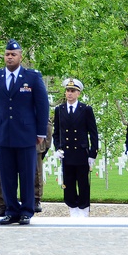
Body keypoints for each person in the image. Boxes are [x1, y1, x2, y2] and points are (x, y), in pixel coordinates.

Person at [0, 39, 49, 226]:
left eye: (13, 54)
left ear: (21, 56)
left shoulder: (32, 77)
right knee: (7, 176)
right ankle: (11, 210)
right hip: (3, 134)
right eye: (7, 54)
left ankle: (27, 210)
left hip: (26, 134)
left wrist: (41, 132)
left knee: (27, 175)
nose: (9, 57)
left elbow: (42, 105)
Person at [53, 78, 99, 217]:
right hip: (66, 153)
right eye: (68, 90)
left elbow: (93, 133)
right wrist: (57, 148)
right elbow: (57, 132)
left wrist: (92, 154)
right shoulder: (59, 109)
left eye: (73, 91)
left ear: (78, 93)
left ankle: (84, 211)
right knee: (69, 183)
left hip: (81, 153)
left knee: (83, 183)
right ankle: (73, 210)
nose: (69, 93)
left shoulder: (85, 109)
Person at [34, 119, 53, 214]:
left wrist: (46, 145)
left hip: (37, 145)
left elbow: (48, 126)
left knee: (37, 174)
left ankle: (36, 199)